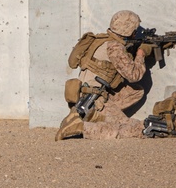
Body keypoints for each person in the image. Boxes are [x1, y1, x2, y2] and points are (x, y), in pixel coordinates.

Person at [56, 9, 148, 140]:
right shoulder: (115, 47)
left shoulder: (101, 40)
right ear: (128, 29)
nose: (135, 33)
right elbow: (134, 76)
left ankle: (97, 116)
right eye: (134, 30)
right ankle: (81, 127)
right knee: (134, 129)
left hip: (85, 94)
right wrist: (140, 55)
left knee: (136, 91)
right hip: (95, 101)